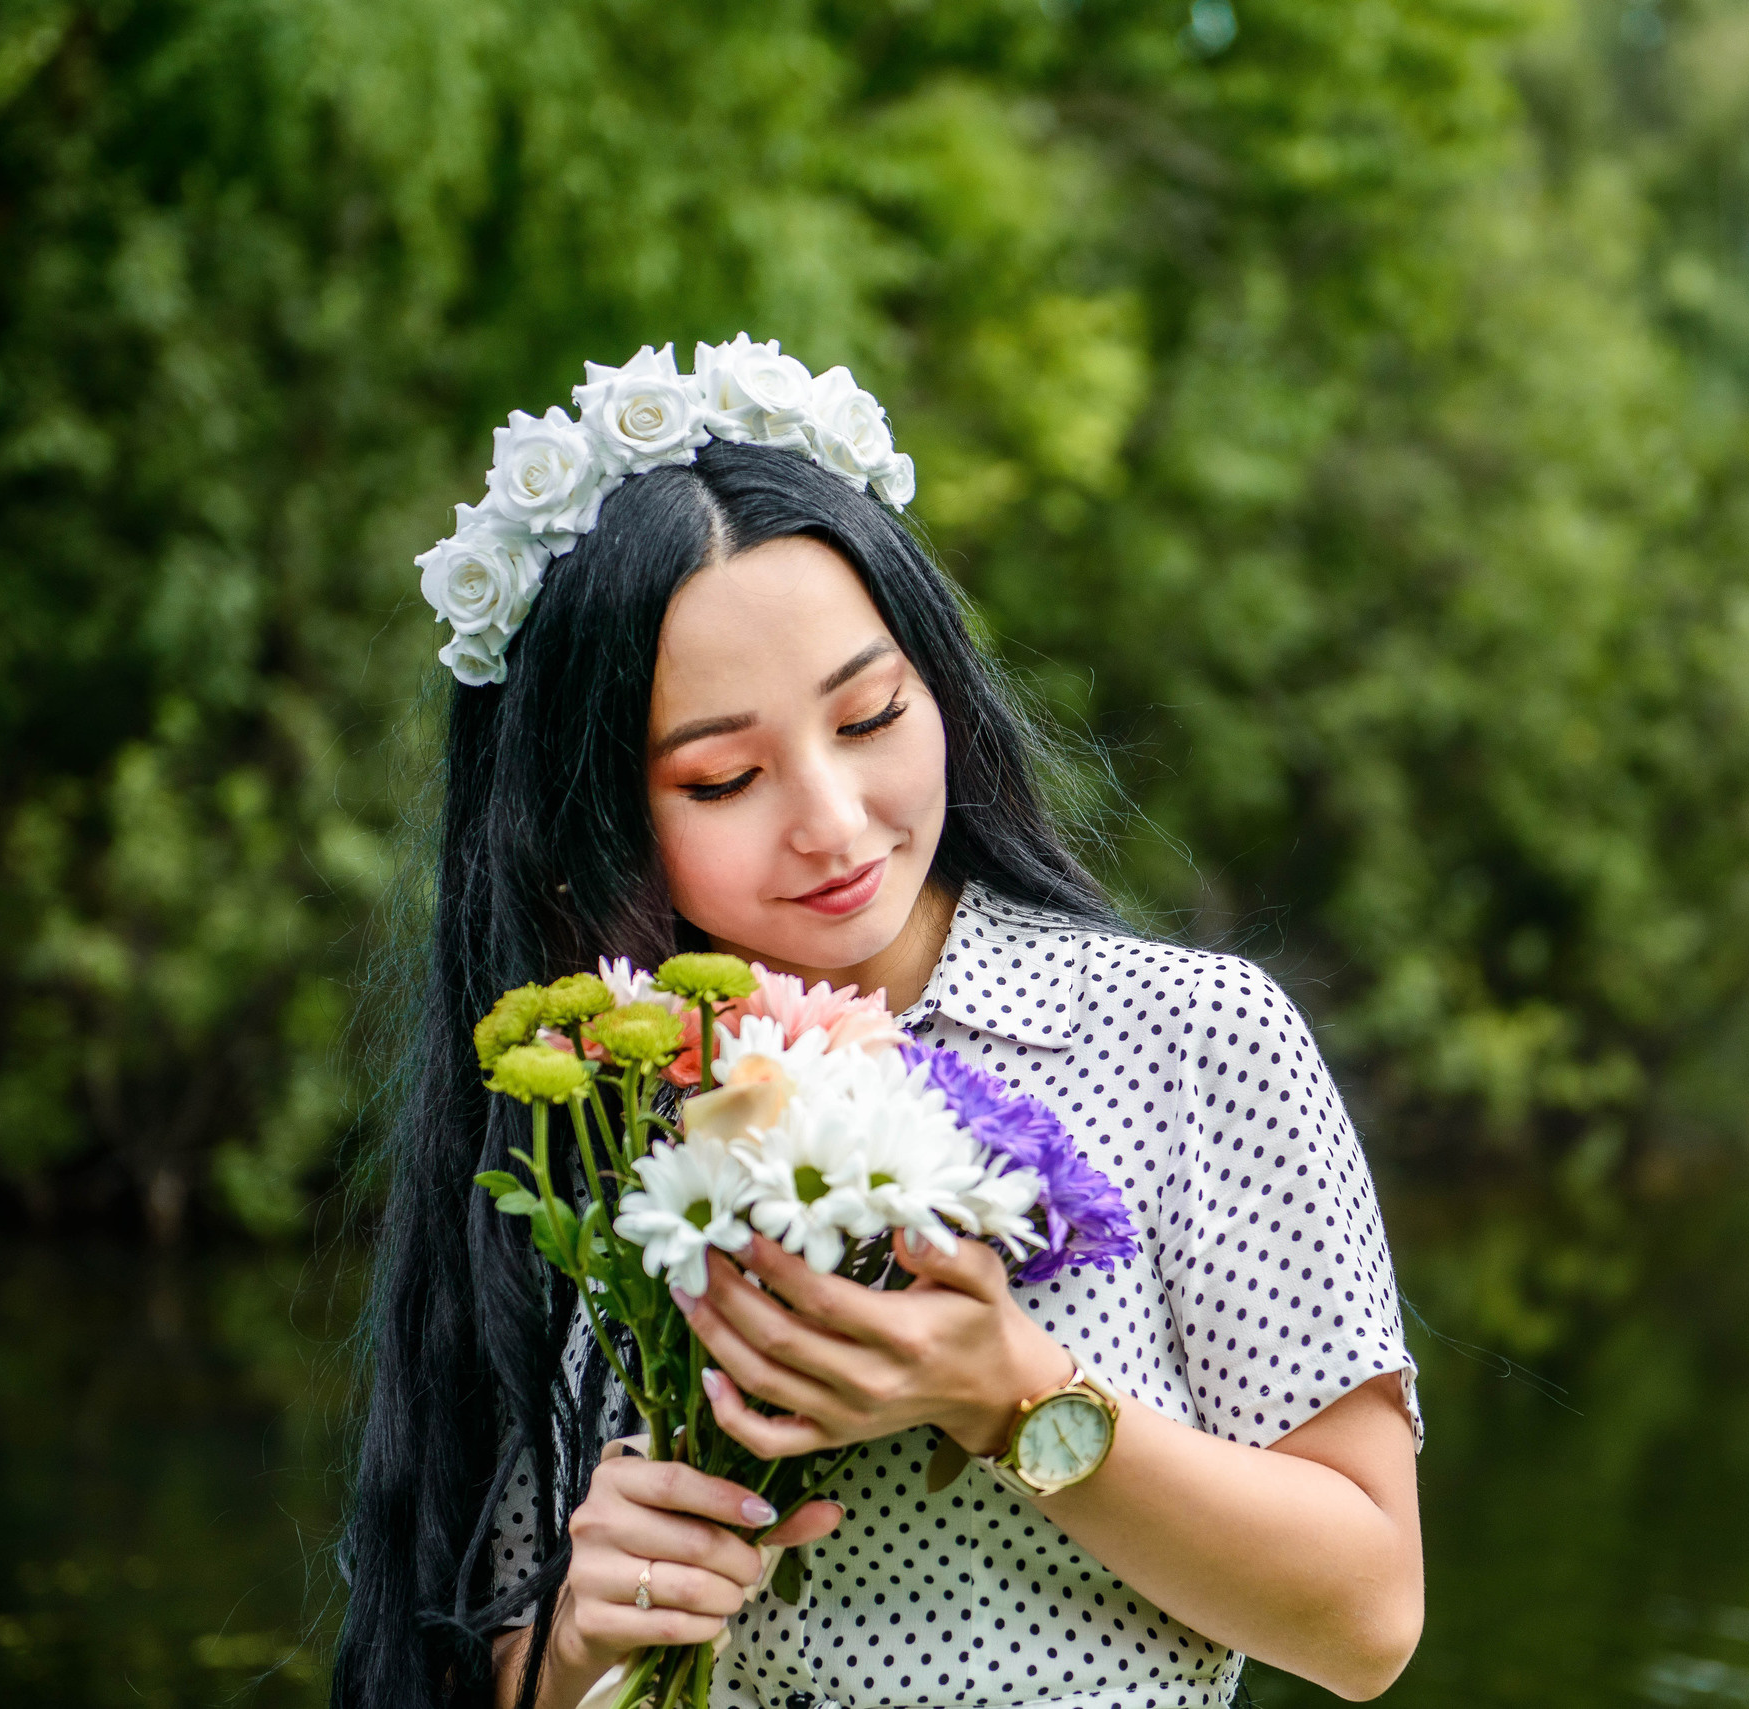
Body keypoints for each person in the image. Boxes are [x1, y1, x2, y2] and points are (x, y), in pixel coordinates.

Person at [335, 341, 1423, 1709]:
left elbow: (1369, 1611)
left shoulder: (1184, 1037)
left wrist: (1013, 1396)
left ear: (942, 689)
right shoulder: (587, 1097)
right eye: (725, 777)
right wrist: (570, 1644)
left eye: (872, 715)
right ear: (595, 815)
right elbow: (471, 1651)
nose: (836, 823)